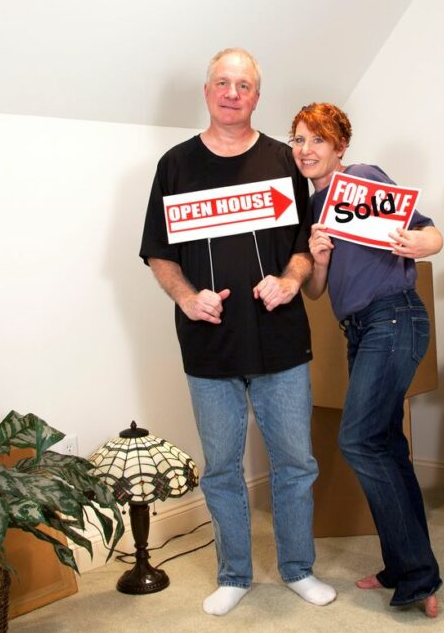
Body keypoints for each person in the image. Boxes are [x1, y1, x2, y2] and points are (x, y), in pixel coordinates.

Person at [139, 49, 336, 616]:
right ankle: (234, 574)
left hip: (280, 341)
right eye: (222, 83)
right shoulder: (174, 165)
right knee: (222, 467)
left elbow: (307, 246)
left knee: (296, 464)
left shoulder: (285, 159)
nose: (232, 93)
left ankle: (298, 569)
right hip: (208, 344)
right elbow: (158, 253)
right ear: (207, 91)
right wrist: (184, 296)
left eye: (243, 85)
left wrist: (291, 279)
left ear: (257, 95)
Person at [291, 102, 443, 618]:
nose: (305, 150)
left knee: (358, 439)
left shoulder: (361, 179)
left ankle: (418, 573)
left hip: (395, 317)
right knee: (385, 445)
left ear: (339, 148)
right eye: (298, 140)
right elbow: (314, 292)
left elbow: (433, 236)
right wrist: (321, 258)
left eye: (316, 140)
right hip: (358, 329)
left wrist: (414, 241)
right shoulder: (313, 210)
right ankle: (403, 566)